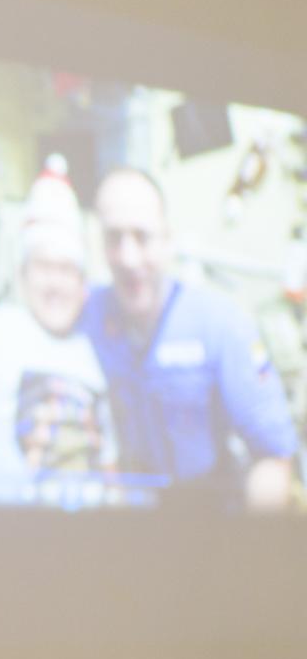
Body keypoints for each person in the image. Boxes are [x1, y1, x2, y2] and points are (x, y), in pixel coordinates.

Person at [83, 166, 297, 510]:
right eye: (114, 238)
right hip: (128, 513)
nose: (128, 257)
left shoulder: (220, 325)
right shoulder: (90, 314)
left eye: (142, 237)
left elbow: (273, 456)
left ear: (168, 240)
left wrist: (254, 550)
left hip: (207, 515)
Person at [0, 157, 115, 501]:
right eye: (43, 266)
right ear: (22, 274)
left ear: (82, 284)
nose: (55, 283)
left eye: (66, 269)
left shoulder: (94, 350)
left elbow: (109, 460)